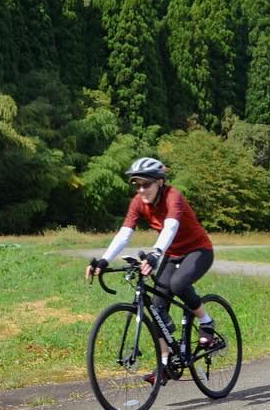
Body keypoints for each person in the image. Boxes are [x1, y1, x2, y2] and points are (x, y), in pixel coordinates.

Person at [85, 157, 217, 383]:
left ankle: (206, 322)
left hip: (198, 251)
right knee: (156, 306)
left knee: (177, 284)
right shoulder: (138, 202)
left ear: (160, 182)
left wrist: (156, 253)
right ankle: (165, 364)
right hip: (172, 253)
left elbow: (171, 226)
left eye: (146, 184)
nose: (142, 189)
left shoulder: (173, 197)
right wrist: (105, 260)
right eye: (137, 185)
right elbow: (125, 232)